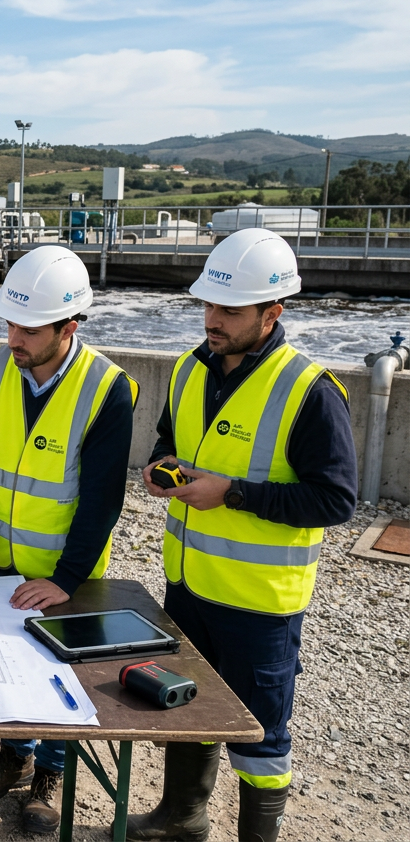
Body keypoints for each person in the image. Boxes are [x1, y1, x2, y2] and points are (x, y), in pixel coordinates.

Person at [129, 228, 357, 842]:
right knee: (188, 706)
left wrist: (232, 493)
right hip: (187, 586)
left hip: (260, 603)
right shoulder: (187, 370)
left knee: (262, 734)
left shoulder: (309, 391)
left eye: (230, 310)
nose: (213, 320)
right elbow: (168, 445)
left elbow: (336, 501)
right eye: (208, 305)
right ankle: (183, 816)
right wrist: (161, 469)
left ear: (271, 312)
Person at [0, 246, 138, 836]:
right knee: (5, 669)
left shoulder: (107, 388)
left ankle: (49, 777)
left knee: (59, 675)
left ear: (70, 325)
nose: (15, 338)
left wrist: (65, 579)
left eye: (29, 328)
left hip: (66, 574)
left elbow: (103, 499)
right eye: (9, 323)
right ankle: (12, 756)